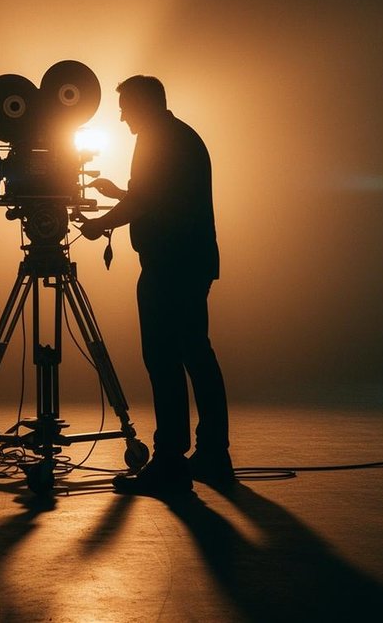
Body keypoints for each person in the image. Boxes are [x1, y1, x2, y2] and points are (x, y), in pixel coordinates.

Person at [80, 75, 233, 495]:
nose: (122, 114)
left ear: (145, 104)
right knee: (196, 354)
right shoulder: (177, 136)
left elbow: (146, 201)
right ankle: (213, 454)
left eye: (126, 105)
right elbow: (156, 194)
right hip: (190, 261)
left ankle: (170, 461)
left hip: (170, 264)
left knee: (164, 359)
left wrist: (100, 224)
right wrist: (119, 194)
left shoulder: (156, 140)